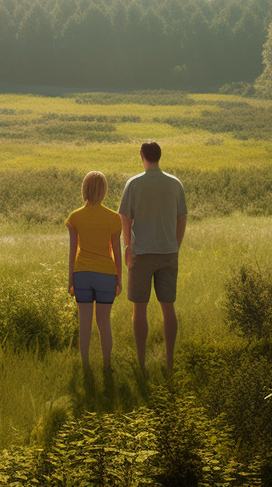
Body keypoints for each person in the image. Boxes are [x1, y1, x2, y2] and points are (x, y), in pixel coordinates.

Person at [118, 141, 187, 371]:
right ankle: (169, 361)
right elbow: (182, 218)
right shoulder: (175, 184)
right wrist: (175, 244)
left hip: (142, 252)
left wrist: (127, 245)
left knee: (140, 308)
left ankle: (141, 363)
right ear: (159, 156)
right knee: (168, 307)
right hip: (168, 251)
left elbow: (125, 218)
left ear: (142, 156)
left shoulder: (134, 184)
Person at [66, 170, 122, 372]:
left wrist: (70, 279)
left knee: (85, 324)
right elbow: (116, 252)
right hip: (107, 275)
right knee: (104, 323)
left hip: (82, 274)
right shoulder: (113, 218)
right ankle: (107, 366)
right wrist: (119, 280)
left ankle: (86, 366)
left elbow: (73, 252)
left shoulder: (75, 217)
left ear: (85, 190)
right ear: (104, 191)